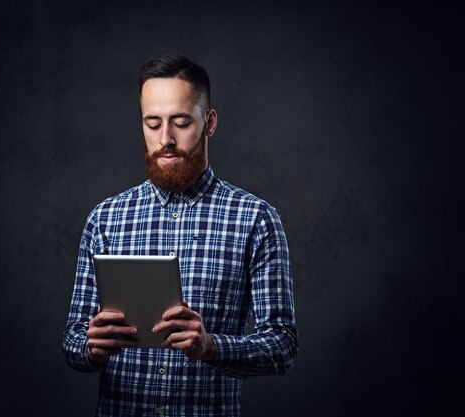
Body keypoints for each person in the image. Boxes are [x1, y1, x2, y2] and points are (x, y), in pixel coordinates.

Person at [63, 54, 298, 416]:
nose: (165, 139)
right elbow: (73, 339)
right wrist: (90, 348)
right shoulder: (105, 218)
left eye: (181, 122)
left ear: (210, 122)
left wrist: (211, 347)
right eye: (152, 123)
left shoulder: (256, 219)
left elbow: (282, 346)